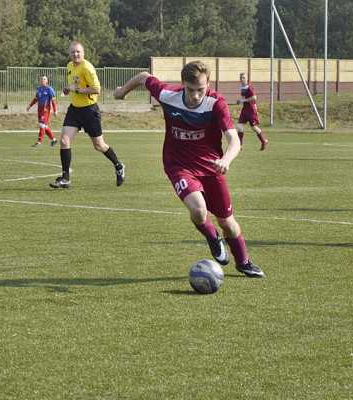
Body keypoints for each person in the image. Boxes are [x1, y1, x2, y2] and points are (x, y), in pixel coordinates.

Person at [113, 61, 265, 278]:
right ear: (182, 83)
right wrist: (121, 91)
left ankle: (243, 262)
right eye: (190, 89)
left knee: (228, 224)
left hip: (212, 167)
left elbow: (234, 139)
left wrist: (226, 160)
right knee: (199, 210)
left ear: (209, 83)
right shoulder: (167, 95)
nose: (195, 96)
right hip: (178, 165)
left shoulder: (215, 103)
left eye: (200, 90)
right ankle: (212, 238)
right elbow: (143, 76)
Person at [49, 42, 125, 189]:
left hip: (89, 111)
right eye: (72, 52)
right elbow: (74, 84)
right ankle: (65, 178)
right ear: (69, 54)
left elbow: (96, 89)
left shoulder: (87, 68)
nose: (75, 54)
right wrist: (67, 90)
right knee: (64, 141)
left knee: (99, 145)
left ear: (83, 53)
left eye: (78, 52)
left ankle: (119, 166)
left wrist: (76, 90)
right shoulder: (70, 66)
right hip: (74, 110)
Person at [236, 72, 268, 150]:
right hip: (245, 110)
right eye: (241, 78)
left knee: (253, 127)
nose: (242, 79)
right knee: (239, 126)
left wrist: (244, 100)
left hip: (251, 110)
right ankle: (240, 145)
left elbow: (254, 97)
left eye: (243, 77)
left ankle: (263, 141)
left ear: (247, 78)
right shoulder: (242, 88)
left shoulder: (249, 87)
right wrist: (240, 100)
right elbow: (244, 98)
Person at [26, 75, 58, 147]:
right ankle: (53, 139)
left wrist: (55, 110)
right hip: (39, 110)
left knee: (42, 125)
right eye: (41, 79)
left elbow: (53, 101)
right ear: (39, 80)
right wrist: (30, 105)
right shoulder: (39, 89)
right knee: (44, 126)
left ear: (47, 81)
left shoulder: (49, 89)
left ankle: (39, 142)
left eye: (44, 79)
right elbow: (35, 99)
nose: (42, 80)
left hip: (46, 110)